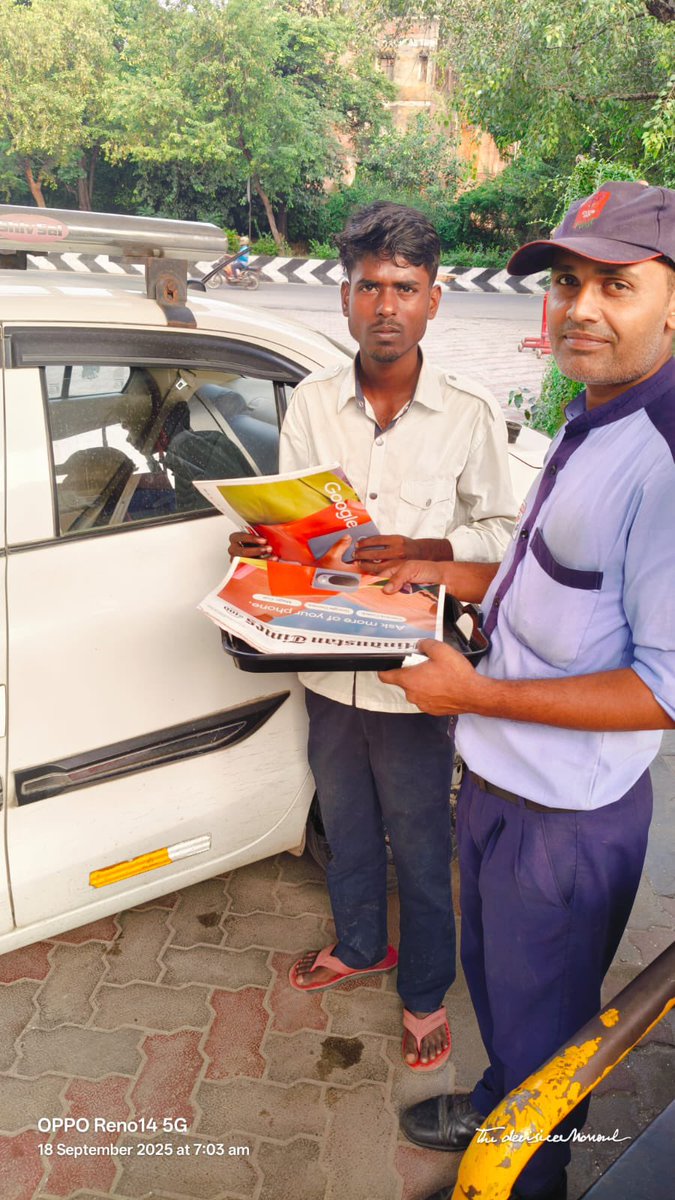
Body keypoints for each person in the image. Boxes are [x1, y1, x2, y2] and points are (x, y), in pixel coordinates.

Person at [379, 180, 675, 1197]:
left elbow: (666, 690)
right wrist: (434, 568)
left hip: (565, 818)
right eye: (569, 282)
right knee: (506, 1002)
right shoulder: (596, 411)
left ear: (671, 304)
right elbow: (549, 573)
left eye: (618, 286)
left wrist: (473, 697)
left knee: (552, 1032)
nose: (582, 307)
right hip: (505, 782)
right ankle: (500, 1094)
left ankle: (523, 1174)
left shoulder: (666, 458)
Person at [229, 201, 518, 1069]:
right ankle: (362, 945)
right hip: (324, 666)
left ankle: (424, 989)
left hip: (412, 675)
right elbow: (298, 522)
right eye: (366, 287)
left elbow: (503, 537)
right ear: (344, 299)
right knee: (346, 826)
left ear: (434, 299)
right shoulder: (312, 404)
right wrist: (262, 538)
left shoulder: (467, 413)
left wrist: (428, 549)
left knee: (422, 839)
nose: (384, 304)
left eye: (404, 287)